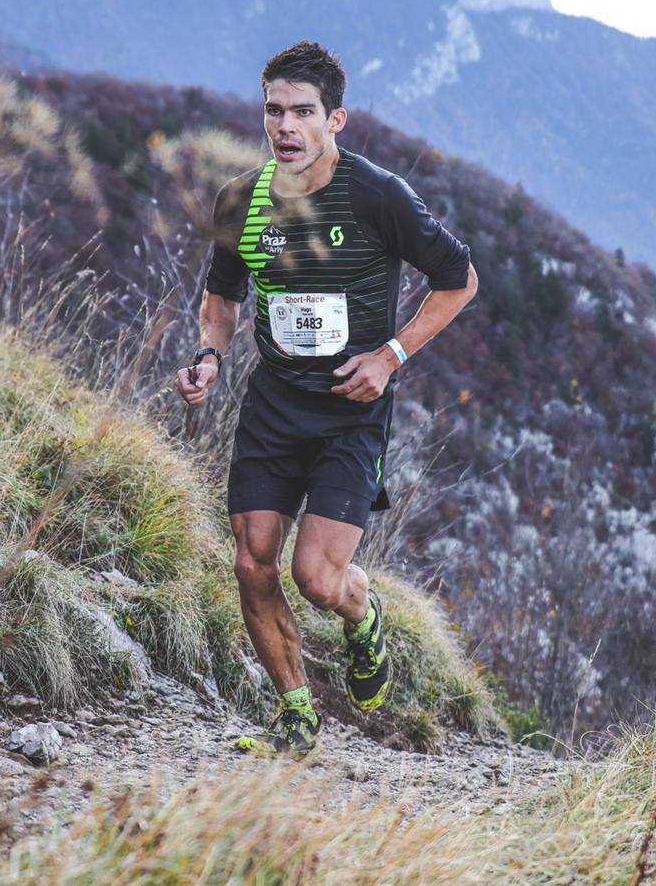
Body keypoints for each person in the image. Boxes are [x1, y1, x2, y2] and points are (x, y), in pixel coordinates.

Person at [175, 40, 478, 755]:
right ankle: (297, 716)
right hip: (275, 403)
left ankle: (362, 616)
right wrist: (210, 355)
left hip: (352, 412)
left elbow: (459, 280)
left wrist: (390, 355)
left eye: (303, 112)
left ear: (335, 119)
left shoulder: (378, 195)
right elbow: (221, 297)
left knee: (316, 578)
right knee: (251, 561)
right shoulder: (241, 201)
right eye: (274, 111)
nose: (285, 126)